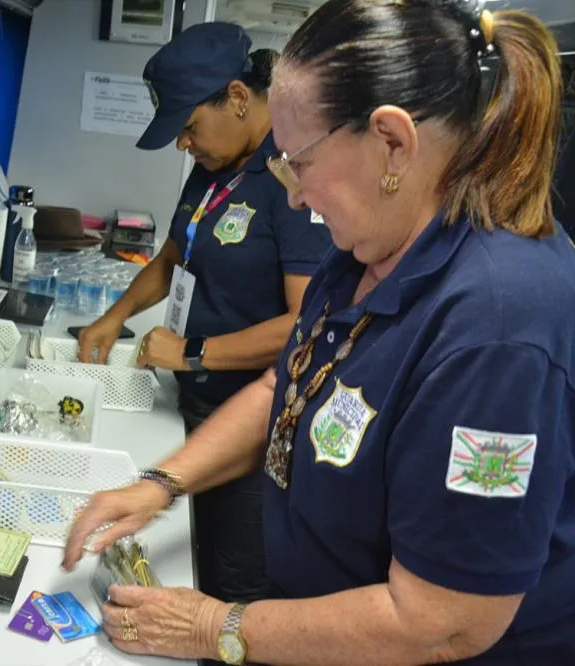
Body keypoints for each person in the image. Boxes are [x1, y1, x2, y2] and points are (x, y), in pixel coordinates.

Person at [63, 2, 575, 664]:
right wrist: (160, 484)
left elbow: (441, 621)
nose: (295, 198)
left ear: (392, 141)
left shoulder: (499, 329)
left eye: (298, 163)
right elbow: (291, 385)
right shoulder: (368, 247)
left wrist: (214, 626)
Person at [77, 22, 331, 604]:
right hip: (194, 405)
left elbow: (305, 322)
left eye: (189, 127)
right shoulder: (217, 166)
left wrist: (193, 353)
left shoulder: (290, 179)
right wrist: (116, 315)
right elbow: (172, 257)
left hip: (252, 435)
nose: (182, 144)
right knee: (193, 558)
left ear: (238, 98)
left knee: (230, 585)